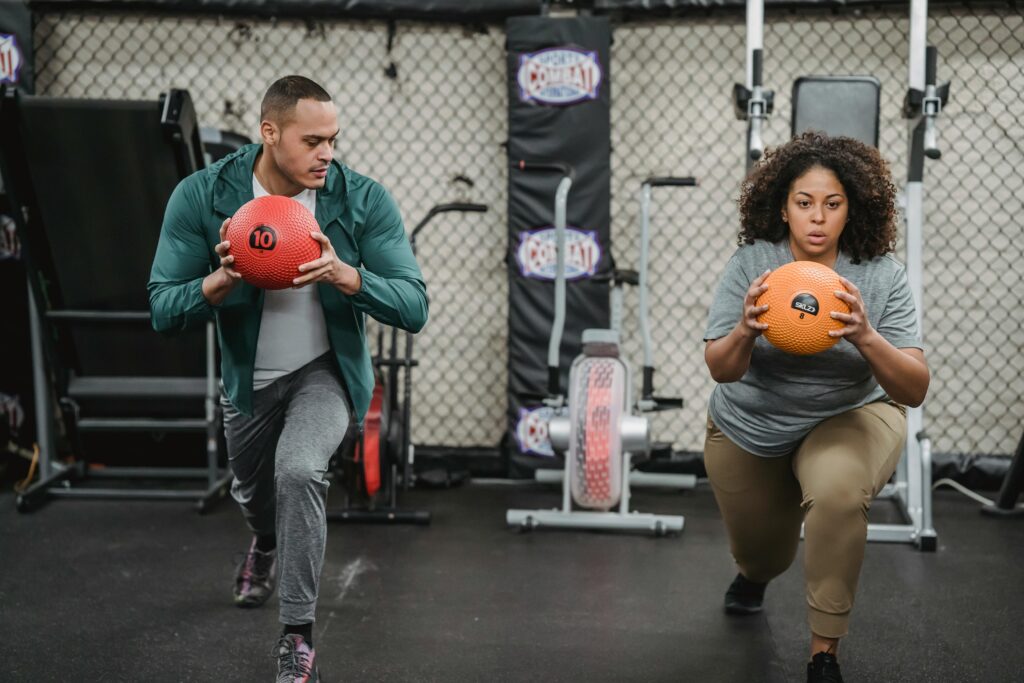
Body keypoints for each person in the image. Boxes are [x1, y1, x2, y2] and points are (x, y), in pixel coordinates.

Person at [148, 75, 428, 683]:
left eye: (334, 139)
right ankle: (265, 543)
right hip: (249, 383)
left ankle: (297, 636)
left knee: (300, 471)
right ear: (270, 133)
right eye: (313, 140)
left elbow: (414, 305)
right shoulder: (202, 196)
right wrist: (212, 288)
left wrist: (347, 276)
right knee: (255, 497)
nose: (327, 153)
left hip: (325, 374)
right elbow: (162, 309)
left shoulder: (362, 200)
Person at [702, 131, 929, 683]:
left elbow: (915, 387)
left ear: (852, 209)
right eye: (804, 203)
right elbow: (721, 368)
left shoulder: (879, 273)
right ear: (783, 206)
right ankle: (754, 575)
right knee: (763, 556)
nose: (818, 219)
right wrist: (745, 331)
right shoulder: (754, 263)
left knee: (838, 493)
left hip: (850, 414)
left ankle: (823, 654)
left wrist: (868, 337)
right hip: (752, 421)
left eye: (832, 204)